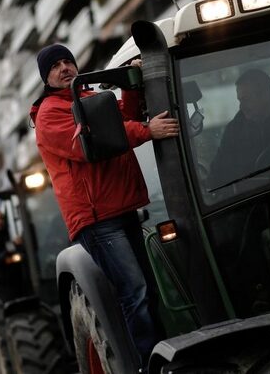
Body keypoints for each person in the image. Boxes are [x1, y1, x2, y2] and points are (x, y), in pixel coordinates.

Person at [29, 44, 179, 370]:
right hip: (96, 219)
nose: (65, 67)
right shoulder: (49, 114)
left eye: (68, 60)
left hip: (122, 207)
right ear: (46, 77)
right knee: (134, 291)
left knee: (150, 290)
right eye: (55, 65)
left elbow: (121, 118)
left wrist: (129, 86)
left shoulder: (87, 98)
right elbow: (92, 140)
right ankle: (150, 366)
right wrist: (146, 131)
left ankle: (164, 354)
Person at [209, 68, 270, 188]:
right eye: (240, 100)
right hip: (255, 196)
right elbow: (218, 174)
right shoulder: (234, 131)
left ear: (265, 94)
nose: (241, 106)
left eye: (246, 100)